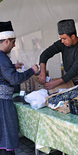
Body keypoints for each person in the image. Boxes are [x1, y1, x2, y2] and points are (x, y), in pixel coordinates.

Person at [0, 21, 39, 155]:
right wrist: (32, 71)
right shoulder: (2, 58)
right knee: (5, 137)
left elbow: (4, 72)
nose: (14, 45)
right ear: (6, 41)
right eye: (13, 42)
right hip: (2, 104)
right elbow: (14, 79)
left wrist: (12, 67)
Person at [39, 19, 78, 89]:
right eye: (61, 38)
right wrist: (43, 72)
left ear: (73, 37)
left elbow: (74, 71)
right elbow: (45, 54)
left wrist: (55, 82)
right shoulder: (62, 44)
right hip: (69, 81)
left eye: (64, 38)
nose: (62, 41)